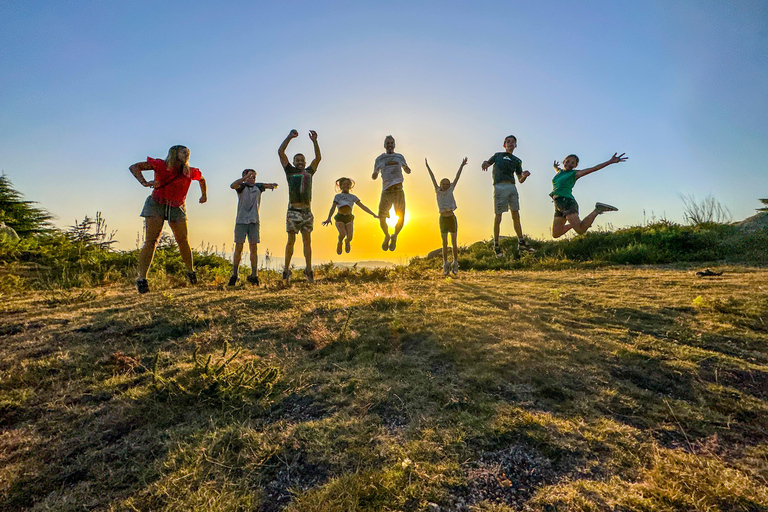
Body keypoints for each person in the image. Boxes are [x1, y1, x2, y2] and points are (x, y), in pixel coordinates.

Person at [129, 145, 207, 294]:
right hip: (156, 203)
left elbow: (202, 179)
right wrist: (144, 182)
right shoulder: (160, 165)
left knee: (182, 240)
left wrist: (204, 195)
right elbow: (134, 167)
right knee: (151, 240)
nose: (186, 153)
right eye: (183, 151)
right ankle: (142, 279)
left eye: (188, 152)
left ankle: (191, 272)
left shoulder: (190, 172)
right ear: (174, 153)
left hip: (177, 206)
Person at [278, 129, 321, 283]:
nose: (300, 162)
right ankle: (286, 270)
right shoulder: (290, 171)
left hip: (307, 212)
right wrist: (289, 137)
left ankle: (308, 270)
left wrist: (315, 141)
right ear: (294, 162)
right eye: (297, 160)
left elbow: (318, 158)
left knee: (307, 241)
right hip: (293, 211)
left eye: (302, 160)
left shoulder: (309, 172)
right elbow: (281, 152)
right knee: (291, 240)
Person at [550, 152, 627, 238]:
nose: (569, 164)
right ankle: (577, 224)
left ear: (575, 166)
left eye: (572, 163)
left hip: (567, 202)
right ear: (563, 162)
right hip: (558, 204)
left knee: (580, 230)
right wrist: (555, 166)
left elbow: (594, 168)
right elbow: (557, 169)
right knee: (556, 233)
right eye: (567, 161)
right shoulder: (559, 172)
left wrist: (610, 161)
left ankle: (597, 210)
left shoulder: (574, 174)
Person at [481, 135, 533, 257]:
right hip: (500, 186)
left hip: (512, 187)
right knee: (498, 216)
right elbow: (487, 163)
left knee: (516, 215)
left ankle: (521, 242)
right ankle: (496, 245)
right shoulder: (498, 155)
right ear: (504, 145)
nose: (510, 144)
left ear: (515, 145)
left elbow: (520, 179)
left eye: (513, 142)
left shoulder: (517, 160)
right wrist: (485, 163)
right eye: (508, 142)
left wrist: (524, 175)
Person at [228, 169, 278, 286]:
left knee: (253, 248)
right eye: (249, 176)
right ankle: (235, 274)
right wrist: (245, 179)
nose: (252, 179)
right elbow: (232, 185)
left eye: (253, 177)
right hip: (241, 221)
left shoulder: (258, 187)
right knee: (238, 247)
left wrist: (272, 185)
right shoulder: (241, 187)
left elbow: (271, 185)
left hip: (254, 221)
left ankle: (254, 275)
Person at [425, 157, 467, 275]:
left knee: (454, 243)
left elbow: (457, 177)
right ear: (440, 184)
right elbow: (432, 177)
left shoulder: (450, 190)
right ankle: (445, 263)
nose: (445, 185)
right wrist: (428, 167)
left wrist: (462, 165)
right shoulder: (438, 191)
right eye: (443, 184)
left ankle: (455, 262)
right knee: (444, 243)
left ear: (449, 185)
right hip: (442, 219)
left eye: (447, 184)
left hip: (451, 218)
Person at [373, 135, 411, 251]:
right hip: (386, 191)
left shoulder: (399, 157)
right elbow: (374, 174)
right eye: (388, 143)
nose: (390, 145)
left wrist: (407, 169)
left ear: (394, 145)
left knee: (401, 218)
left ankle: (394, 236)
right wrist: (374, 174)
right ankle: (387, 236)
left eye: (392, 143)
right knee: (382, 217)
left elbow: (407, 169)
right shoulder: (380, 159)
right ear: (385, 145)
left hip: (398, 190)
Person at [322, 177, 378, 254]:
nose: (346, 185)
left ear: (350, 186)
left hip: (349, 218)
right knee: (342, 233)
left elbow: (363, 206)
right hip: (340, 217)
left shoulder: (353, 197)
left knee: (350, 236)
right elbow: (333, 207)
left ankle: (347, 242)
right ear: (341, 186)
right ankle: (340, 242)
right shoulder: (338, 196)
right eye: (344, 184)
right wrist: (328, 218)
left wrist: (373, 214)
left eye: (348, 184)